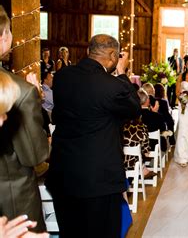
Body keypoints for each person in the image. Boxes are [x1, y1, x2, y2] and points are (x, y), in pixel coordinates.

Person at [46, 34, 141, 237]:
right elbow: (134, 109)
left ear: (89, 51)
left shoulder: (62, 77)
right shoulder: (112, 86)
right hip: (99, 180)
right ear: (113, 55)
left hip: (64, 175)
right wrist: (122, 74)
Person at [0, 6, 49, 233]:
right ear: (5, 37)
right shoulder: (21, 91)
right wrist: (35, 101)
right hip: (12, 204)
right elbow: (35, 154)